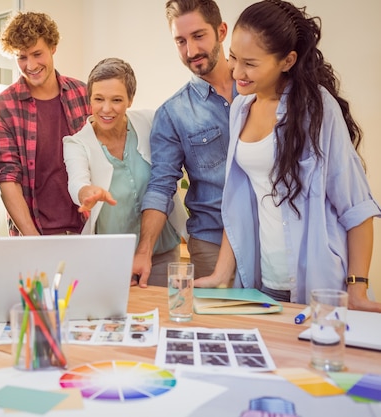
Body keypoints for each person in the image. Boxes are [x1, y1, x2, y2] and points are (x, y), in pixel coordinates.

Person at [196, 0, 381, 312]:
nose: (236, 72)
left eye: (250, 64)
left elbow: (357, 208)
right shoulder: (241, 108)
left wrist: (357, 290)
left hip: (318, 286)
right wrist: (220, 274)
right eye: (233, 58)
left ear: (287, 60)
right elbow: (239, 200)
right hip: (262, 283)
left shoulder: (317, 109)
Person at [133, 0, 237, 287]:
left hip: (270, 237)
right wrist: (144, 251)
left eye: (198, 36)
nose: (191, 51)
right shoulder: (171, 114)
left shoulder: (260, 90)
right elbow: (161, 186)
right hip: (211, 242)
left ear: (222, 31)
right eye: (180, 41)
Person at [63, 58, 186, 287]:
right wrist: (87, 193)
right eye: (98, 99)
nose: (106, 109)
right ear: (89, 99)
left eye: (116, 100)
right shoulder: (76, 143)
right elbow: (77, 182)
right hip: (110, 259)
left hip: (162, 254)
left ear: (130, 99)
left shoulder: (150, 121)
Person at [0, 11, 90, 236]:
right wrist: (33, 240)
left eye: (37, 54)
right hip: (34, 233)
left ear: (53, 47)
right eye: (22, 57)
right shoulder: (2, 108)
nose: (31, 65)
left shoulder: (83, 93)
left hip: (88, 230)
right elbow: (8, 179)